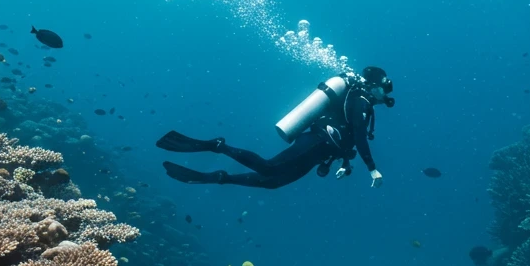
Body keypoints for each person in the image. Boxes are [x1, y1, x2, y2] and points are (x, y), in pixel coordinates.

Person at [157, 66, 394, 189]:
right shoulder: (360, 100)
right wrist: (372, 168)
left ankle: (221, 178)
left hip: (322, 150)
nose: (386, 93)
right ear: (374, 84)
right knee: (269, 168)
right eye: (385, 87)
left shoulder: (359, 101)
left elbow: (349, 135)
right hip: (316, 142)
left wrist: (345, 162)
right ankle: (218, 146)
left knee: (273, 182)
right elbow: (359, 134)